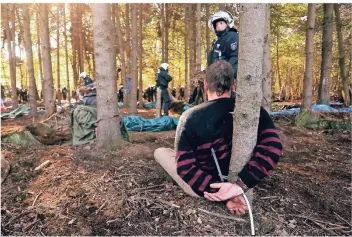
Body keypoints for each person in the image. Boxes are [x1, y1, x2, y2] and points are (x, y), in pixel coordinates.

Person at [154, 60, 282, 215]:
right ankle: (231, 193)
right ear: (233, 85)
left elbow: (185, 167)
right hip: (239, 181)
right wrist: (239, 186)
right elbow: (273, 147)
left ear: (206, 85)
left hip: (203, 189)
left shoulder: (190, 117)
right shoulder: (252, 111)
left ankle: (224, 193)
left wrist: (218, 190)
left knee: (161, 152)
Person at [207, 10, 239, 80]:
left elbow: (235, 57)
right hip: (217, 79)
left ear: (227, 23)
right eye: (216, 24)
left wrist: (227, 75)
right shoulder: (217, 41)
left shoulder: (232, 36)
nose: (218, 26)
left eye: (221, 23)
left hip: (227, 79)